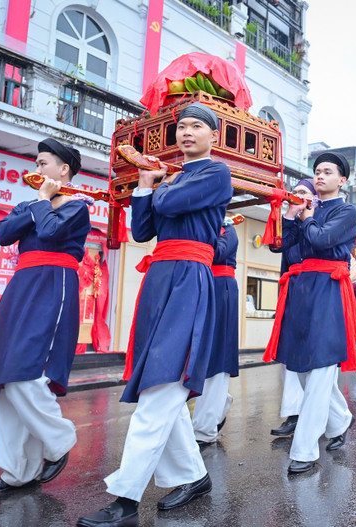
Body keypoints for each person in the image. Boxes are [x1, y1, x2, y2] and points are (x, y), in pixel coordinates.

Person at [78, 102, 233, 527]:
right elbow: (142, 230)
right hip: (160, 278)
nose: (186, 132)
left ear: (213, 137)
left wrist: (153, 184)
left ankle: (125, 500)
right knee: (158, 387)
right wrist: (145, 187)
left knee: (161, 388)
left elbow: (171, 204)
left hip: (189, 279)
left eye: (197, 126)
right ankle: (195, 476)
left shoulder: (214, 172)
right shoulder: (174, 176)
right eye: (181, 126)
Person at [0, 138, 90, 496]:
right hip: (21, 288)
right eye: (37, 163)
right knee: (4, 383)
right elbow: (1, 234)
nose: (37, 169)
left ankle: (60, 439)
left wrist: (42, 202)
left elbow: (52, 231)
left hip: (52, 286)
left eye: (43, 163)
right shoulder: (32, 204)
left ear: (63, 170)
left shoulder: (77, 207)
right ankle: (16, 472)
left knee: (27, 373)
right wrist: (37, 204)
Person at [263, 151, 356, 475]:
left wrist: (306, 219)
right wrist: (292, 216)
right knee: (304, 370)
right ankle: (341, 419)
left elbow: (321, 239)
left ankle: (304, 452)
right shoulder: (307, 210)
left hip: (328, 292)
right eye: (317, 171)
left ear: (341, 180)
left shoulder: (346, 211)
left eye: (327, 172)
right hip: (301, 292)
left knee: (319, 370)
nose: (319, 176)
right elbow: (284, 248)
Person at [269, 179, 313, 438]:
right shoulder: (291, 224)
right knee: (288, 358)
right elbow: (278, 247)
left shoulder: (319, 222)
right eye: (294, 192)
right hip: (291, 293)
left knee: (314, 362)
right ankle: (293, 413)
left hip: (315, 293)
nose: (297, 196)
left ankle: (334, 416)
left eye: (303, 192)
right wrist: (290, 215)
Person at [192, 218, 239, 446]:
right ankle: (217, 407)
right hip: (201, 284)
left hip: (221, 289)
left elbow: (217, 253)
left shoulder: (228, 228)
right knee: (201, 354)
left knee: (217, 356)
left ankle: (206, 427)